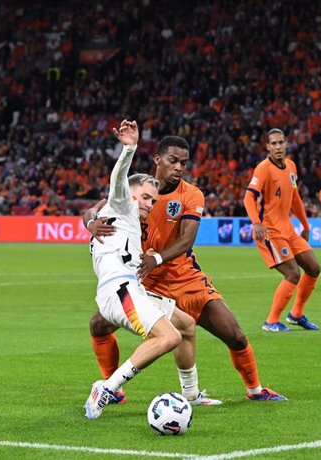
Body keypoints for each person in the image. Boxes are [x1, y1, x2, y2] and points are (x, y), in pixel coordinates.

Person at [87, 135, 286, 402]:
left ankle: (255, 390)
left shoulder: (191, 194)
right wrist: (90, 223)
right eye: (173, 160)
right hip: (144, 282)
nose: (179, 167)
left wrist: (156, 259)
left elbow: (187, 239)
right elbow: (94, 209)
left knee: (235, 335)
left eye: (184, 162)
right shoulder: (139, 189)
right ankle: (113, 390)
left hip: (184, 278)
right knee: (99, 325)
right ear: (158, 159)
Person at [83, 120, 202, 419]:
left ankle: (192, 394)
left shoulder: (127, 221)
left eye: (153, 199)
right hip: (120, 291)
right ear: (129, 193)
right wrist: (130, 148)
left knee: (185, 324)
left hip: (129, 289)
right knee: (169, 337)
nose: (150, 203)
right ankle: (108, 387)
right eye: (145, 198)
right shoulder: (122, 204)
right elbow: (119, 178)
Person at [243, 128, 321, 332]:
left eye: (281, 143)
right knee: (292, 273)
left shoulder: (292, 167)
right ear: (268, 147)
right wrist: (256, 223)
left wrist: (305, 225)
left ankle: (296, 314)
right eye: (273, 144)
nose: (278, 147)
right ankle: (271, 321)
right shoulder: (263, 169)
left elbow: (295, 198)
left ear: (286, 143)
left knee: (314, 268)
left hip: (288, 229)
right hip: (269, 231)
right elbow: (248, 197)